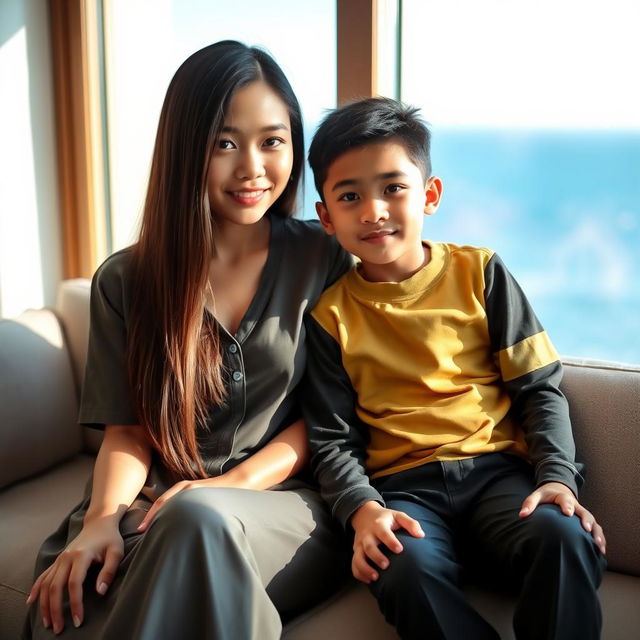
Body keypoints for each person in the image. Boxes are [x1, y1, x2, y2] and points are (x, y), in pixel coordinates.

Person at [24, 41, 352, 639]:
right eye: (224, 143)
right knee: (64, 611)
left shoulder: (323, 259)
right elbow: (127, 430)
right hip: (157, 502)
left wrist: (224, 487)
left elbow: (329, 418)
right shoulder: (127, 280)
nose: (252, 166)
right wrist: (102, 517)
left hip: (287, 505)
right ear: (184, 149)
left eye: (273, 141)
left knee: (198, 521)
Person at [303, 96, 607, 640]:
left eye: (394, 188)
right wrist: (362, 510)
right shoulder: (329, 316)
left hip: (498, 474)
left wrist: (558, 477)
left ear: (431, 194)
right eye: (350, 196)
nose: (373, 210)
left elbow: (540, 389)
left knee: (562, 536)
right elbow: (332, 438)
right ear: (326, 216)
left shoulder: (481, 273)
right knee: (403, 569)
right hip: (403, 487)